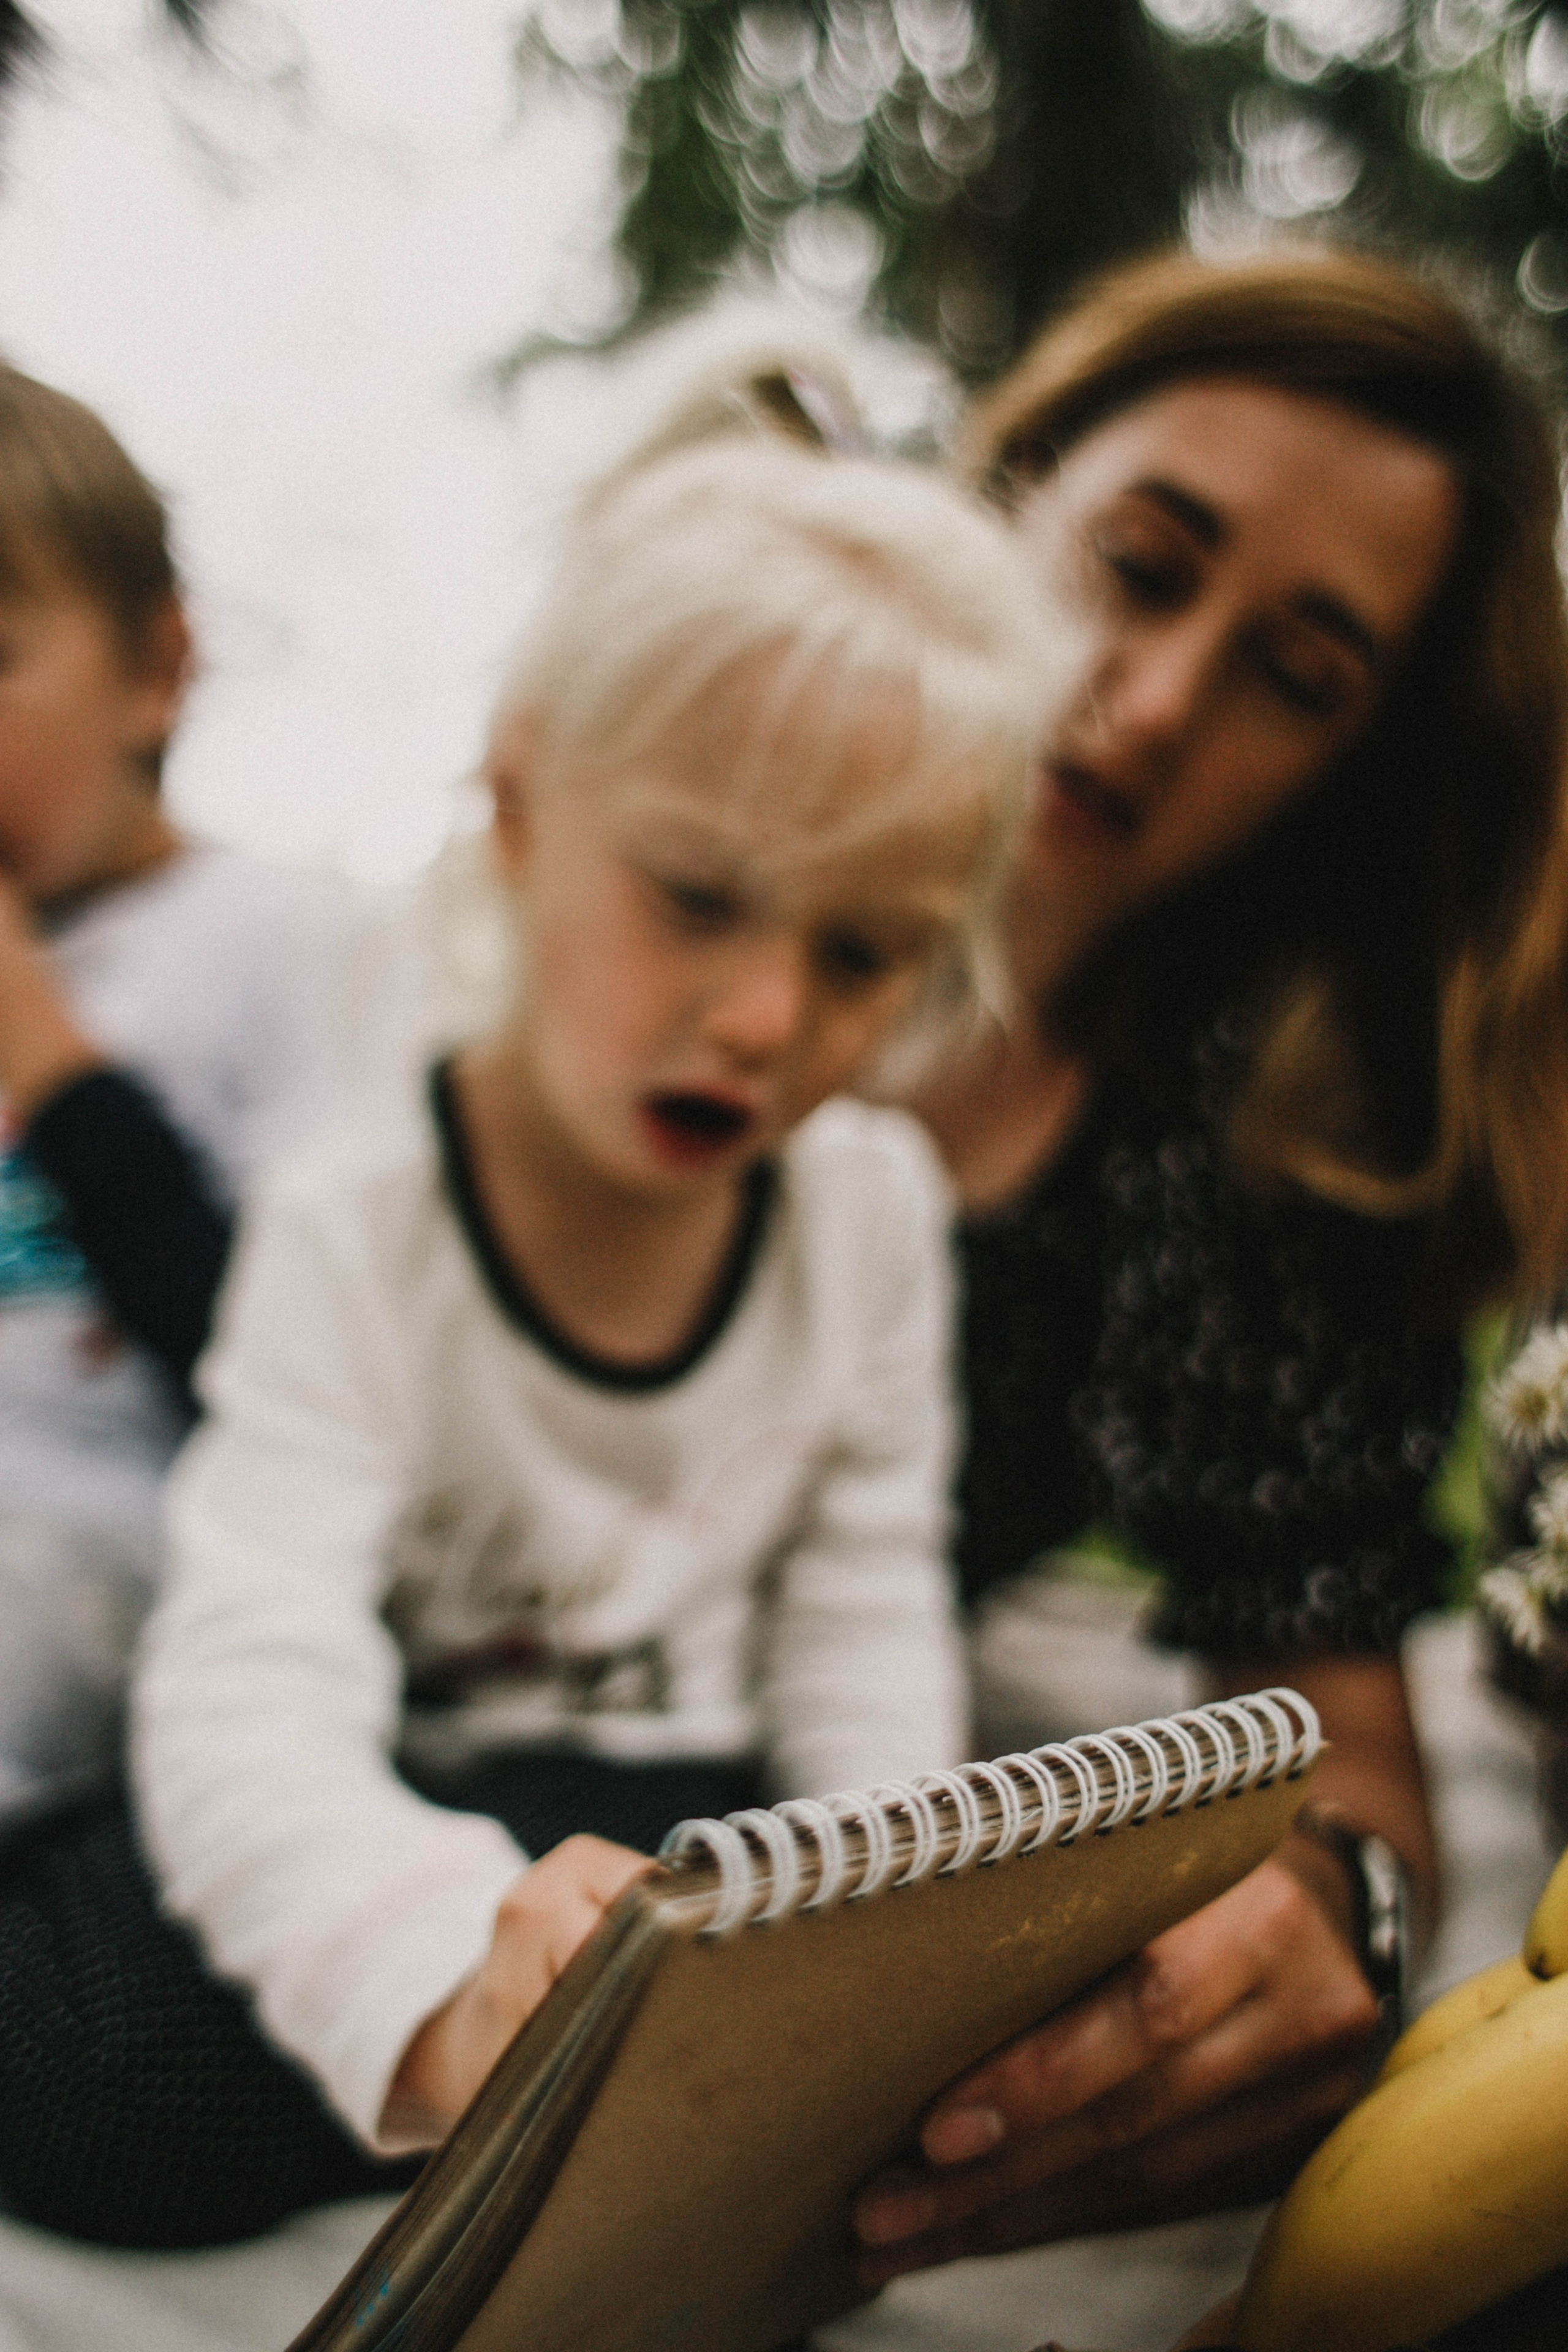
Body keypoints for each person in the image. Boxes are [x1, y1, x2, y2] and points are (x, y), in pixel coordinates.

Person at [100, 337, 1066, 2233]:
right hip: (402, 1802)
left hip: (685, 1837)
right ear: (522, 813)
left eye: (867, 954)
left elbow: (861, 1632)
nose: (770, 1016)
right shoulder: (360, 1220)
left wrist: (869, 1961)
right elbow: (248, 1681)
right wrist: (448, 1969)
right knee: (94, 2067)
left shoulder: (867, 1213)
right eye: (700, 899)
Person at [849, 244, 1568, 2282]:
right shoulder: (647, 832)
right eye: (1148, 564)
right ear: (1021, 483)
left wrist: (1333, 1918)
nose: (1155, 703)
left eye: (1300, 677)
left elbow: (1338, 1731)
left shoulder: (1236, 1165)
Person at [0, 361, 346, 1838]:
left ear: (156, 667)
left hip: (116, 1535)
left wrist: (50, 1059)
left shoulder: (275, 940)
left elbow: (285, 1357)